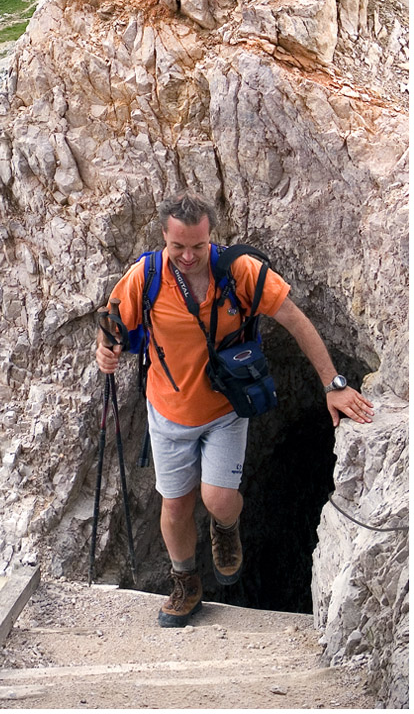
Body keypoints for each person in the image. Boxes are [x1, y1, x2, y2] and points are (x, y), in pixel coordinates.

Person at [95, 191, 374, 628]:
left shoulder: (240, 272)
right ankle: (185, 584)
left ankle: (225, 528)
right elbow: (114, 326)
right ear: (163, 239)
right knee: (175, 507)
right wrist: (105, 352)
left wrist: (332, 385)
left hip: (226, 408)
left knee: (219, 500)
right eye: (178, 246)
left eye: (198, 246)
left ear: (212, 237)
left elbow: (295, 319)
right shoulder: (144, 277)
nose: (188, 256)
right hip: (168, 413)